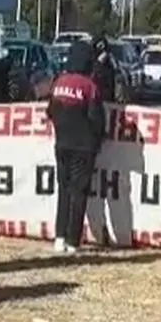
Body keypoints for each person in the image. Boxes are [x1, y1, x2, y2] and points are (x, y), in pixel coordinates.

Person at [46, 38, 105, 253]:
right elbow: (96, 119)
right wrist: (98, 140)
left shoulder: (59, 82)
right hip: (84, 147)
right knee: (79, 193)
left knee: (63, 190)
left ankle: (59, 237)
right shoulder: (90, 87)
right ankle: (73, 241)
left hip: (61, 144)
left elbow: (50, 112)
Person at [90, 35, 119, 105]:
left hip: (107, 84)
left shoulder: (108, 55)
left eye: (102, 44)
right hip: (97, 83)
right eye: (99, 44)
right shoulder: (92, 55)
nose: (101, 46)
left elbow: (115, 67)